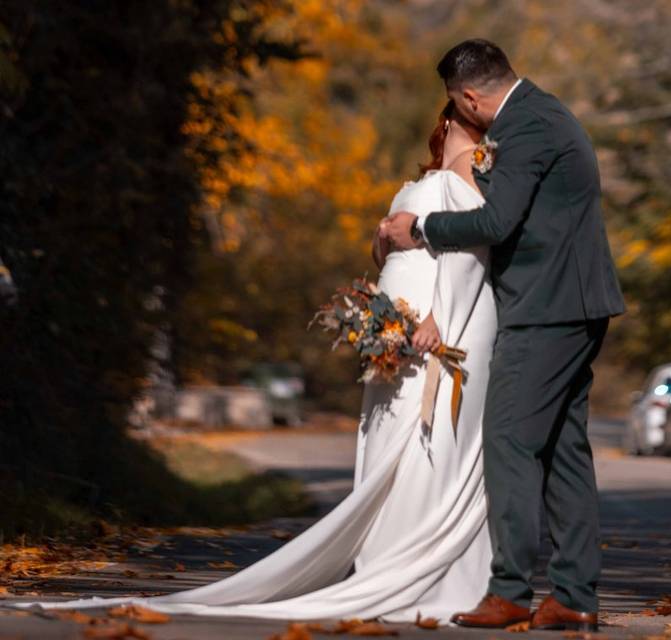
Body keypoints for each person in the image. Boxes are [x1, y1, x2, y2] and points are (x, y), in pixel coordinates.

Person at [16, 101, 499, 624]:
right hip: (393, 331)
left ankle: (420, 566)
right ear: (449, 121)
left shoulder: (470, 177)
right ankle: (382, 557)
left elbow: (471, 257)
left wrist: (437, 320)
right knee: (385, 437)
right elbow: (386, 253)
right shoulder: (420, 181)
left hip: (431, 331)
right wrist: (382, 250)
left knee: (424, 444)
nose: (476, 143)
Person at [379, 39, 625, 632]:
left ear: (468, 96)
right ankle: (574, 595)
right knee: (564, 451)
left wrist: (423, 228)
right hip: (573, 306)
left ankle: (510, 590)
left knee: (510, 442)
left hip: (548, 310)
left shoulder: (527, 127)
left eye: (454, 105)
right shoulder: (543, 111)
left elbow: (496, 221)